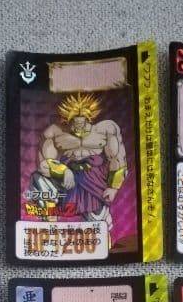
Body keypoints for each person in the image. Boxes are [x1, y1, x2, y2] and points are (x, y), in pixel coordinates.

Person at [32, 92, 127, 241]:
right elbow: (43, 163)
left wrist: (114, 187)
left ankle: (101, 240)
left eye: (82, 123)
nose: (78, 128)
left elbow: (118, 159)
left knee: (97, 219)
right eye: (74, 123)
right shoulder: (54, 132)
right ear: (67, 120)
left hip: (94, 177)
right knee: (38, 179)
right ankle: (50, 229)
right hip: (66, 177)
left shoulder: (106, 129)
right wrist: (63, 171)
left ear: (89, 119)